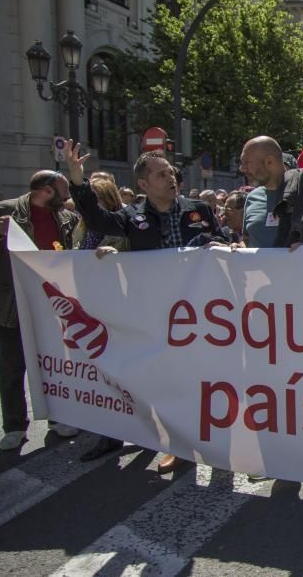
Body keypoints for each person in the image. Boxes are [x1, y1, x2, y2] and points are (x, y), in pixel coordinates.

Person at [66, 141, 226, 471]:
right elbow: (97, 220)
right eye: (161, 174)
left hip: (202, 312)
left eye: (171, 172)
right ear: (143, 184)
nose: (171, 178)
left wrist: (220, 244)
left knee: (203, 378)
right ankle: (179, 446)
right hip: (157, 314)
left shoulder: (198, 209)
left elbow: (223, 239)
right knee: (168, 379)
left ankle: (216, 440)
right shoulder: (131, 216)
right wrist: (78, 181)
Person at [0, 169, 82, 451]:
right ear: (46, 191)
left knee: (54, 366)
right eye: (64, 191)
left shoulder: (66, 218)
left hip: (50, 305)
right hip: (10, 305)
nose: (67, 198)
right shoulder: (1, 212)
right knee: (12, 367)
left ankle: (58, 418)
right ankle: (14, 427)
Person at [238, 136, 303, 249]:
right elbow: (246, 240)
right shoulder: (252, 197)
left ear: (270, 162)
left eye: (247, 162)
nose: (242, 169)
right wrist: (235, 249)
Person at [72, 177, 129, 252]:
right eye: (86, 200)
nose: (89, 204)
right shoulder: (81, 225)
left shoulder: (127, 228)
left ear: (110, 199)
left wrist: (116, 255)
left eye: (95, 199)